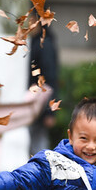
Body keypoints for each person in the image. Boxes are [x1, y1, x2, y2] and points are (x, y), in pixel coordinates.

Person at [28, 15, 59, 155]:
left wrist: (49, 111)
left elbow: (50, 79)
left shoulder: (44, 44)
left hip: (39, 103)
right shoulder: (35, 42)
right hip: (34, 102)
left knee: (38, 145)